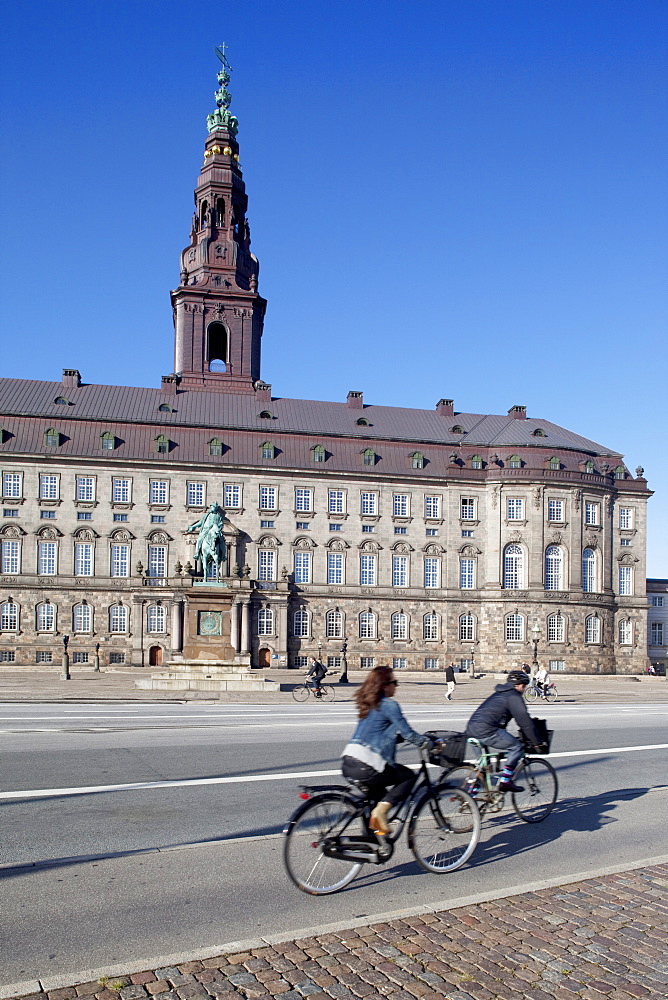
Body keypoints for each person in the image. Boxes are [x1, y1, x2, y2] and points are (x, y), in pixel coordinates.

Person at [341, 665, 433, 834]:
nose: (396, 686)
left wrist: (398, 739)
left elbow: (377, 733)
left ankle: (371, 846)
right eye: (394, 682)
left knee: (378, 799)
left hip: (349, 761)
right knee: (408, 777)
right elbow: (410, 734)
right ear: (384, 685)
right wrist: (430, 744)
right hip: (368, 766)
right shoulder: (389, 705)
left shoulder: (368, 703)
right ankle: (381, 812)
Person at [465, 669, 542, 792]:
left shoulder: (499, 693)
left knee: (483, 768)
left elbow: (497, 717)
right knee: (517, 747)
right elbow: (525, 722)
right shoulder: (514, 697)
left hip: (471, 730)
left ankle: (470, 798)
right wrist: (536, 741)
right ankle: (505, 781)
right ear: (521, 685)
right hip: (486, 731)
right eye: (524, 686)